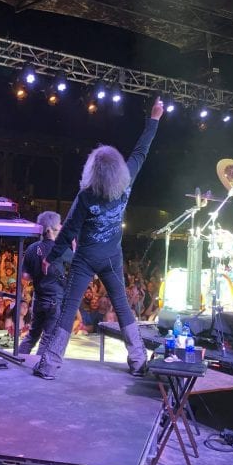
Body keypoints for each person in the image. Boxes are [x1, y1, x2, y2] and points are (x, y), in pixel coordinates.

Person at [33, 96, 165, 380]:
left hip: (86, 260)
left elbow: (68, 232)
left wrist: (50, 258)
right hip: (112, 256)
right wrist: (154, 118)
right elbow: (141, 151)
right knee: (123, 306)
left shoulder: (86, 196)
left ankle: (49, 365)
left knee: (68, 309)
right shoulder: (126, 181)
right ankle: (138, 361)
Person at [17, 211, 72, 354]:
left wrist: (39, 275)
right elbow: (77, 263)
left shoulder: (32, 248)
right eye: (58, 226)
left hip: (38, 299)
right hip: (54, 299)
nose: (60, 227)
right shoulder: (60, 249)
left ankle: (18, 359)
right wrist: (73, 244)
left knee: (32, 335)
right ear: (49, 230)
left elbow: (25, 275)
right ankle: (39, 364)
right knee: (47, 338)